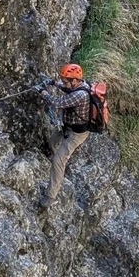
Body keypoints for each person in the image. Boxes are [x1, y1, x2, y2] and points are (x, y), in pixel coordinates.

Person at [40, 63, 91, 209]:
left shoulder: (79, 95)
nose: (64, 83)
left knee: (58, 160)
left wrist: (43, 92)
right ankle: (57, 161)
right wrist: (53, 83)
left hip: (76, 134)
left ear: (75, 81)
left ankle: (50, 196)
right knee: (52, 142)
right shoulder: (80, 85)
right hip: (68, 128)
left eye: (66, 80)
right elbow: (65, 88)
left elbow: (56, 103)